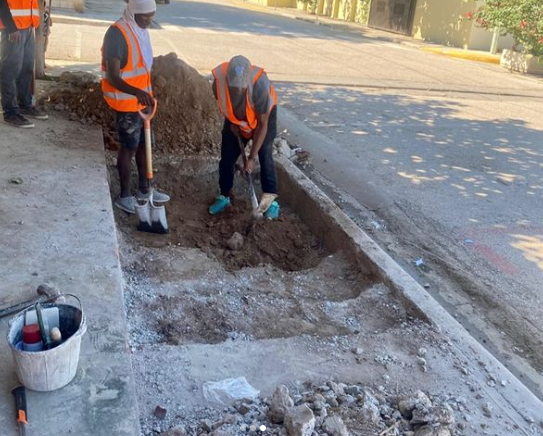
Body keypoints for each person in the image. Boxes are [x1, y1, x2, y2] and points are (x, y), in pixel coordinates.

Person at [101, 0, 169, 214]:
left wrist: (145, 94)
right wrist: (137, 92)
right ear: (133, 13)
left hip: (142, 103)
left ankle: (144, 190)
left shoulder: (140, 32)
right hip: (125, 101)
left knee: (143, 146)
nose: (149, 20)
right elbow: (113, 76)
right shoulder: (117, 34)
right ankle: (124, 196)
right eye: (145, 16)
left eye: (151, 16)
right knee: (128, 148)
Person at [209, 55, 280, 219]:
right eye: (234, 86)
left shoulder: (260, 86)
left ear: (248, 80)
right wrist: (233, 122)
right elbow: (225, 105)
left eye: (242, 87)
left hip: (264, 119)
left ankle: (271, 201)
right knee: (227, 156)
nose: (239, 90)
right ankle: (224, 195)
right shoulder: (218, 84)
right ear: (227, 79)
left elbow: (262, 125)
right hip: (236, 119)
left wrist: (251, 158)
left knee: (265, 154)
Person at [0, 0, 48, 128]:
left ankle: (24, 105)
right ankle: (10, 112)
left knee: (26, 69)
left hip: (28, 26)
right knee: (10, 71)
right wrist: (11, 27)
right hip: (14, 28)